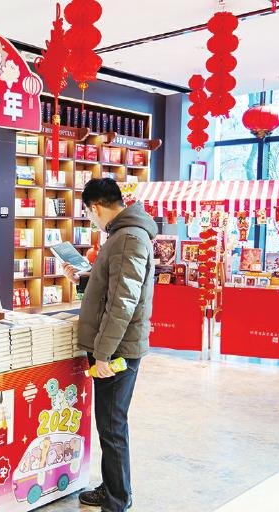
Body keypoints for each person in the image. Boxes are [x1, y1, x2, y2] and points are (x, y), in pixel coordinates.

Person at [62, 178, 157, 512]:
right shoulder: (123, 235)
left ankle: (117, 500)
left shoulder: (128, 238)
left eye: (89, 213)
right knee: (109, 423)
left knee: (112, 424)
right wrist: (84, 279)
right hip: (114, 345)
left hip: (117, 350)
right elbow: (113, 287)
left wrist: (103, 354)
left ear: (96, 207)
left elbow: (122, 303)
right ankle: (114, 488)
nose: (91, 219)